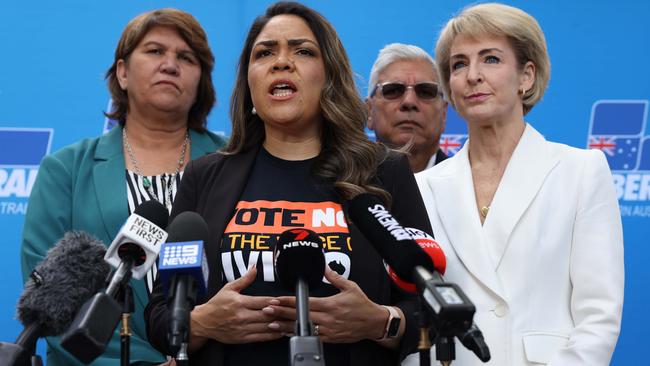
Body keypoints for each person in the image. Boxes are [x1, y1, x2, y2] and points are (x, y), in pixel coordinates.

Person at [145, 2, 432, 365]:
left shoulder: (385, 173)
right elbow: (159, 316)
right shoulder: (205, 176)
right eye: (264, 53)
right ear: (249, 83)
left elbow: (430, 306)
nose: (282, 62)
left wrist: (380, 322)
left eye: (303, 51)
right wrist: (201, 323)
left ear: (329, 76)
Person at [414, 3, 623, 365]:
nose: (472, 75)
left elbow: (598, 316)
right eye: (459, 64)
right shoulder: (423, 185)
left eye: (491, 59)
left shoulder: (580, 170)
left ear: (526, 76)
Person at [21, 8, 225, 366]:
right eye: (155, 51)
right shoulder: (65, 170)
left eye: (186, 57)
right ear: (122, 72)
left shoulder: (234, 161)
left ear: (201, 81)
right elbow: (51, 303)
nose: (170, 64)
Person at [366, 43, 448, 173]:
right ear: (369, 111)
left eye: (425, 92)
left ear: (444, 113)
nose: (409, 101)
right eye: (393, 90)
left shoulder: (471, 186)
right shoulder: (340, 187)